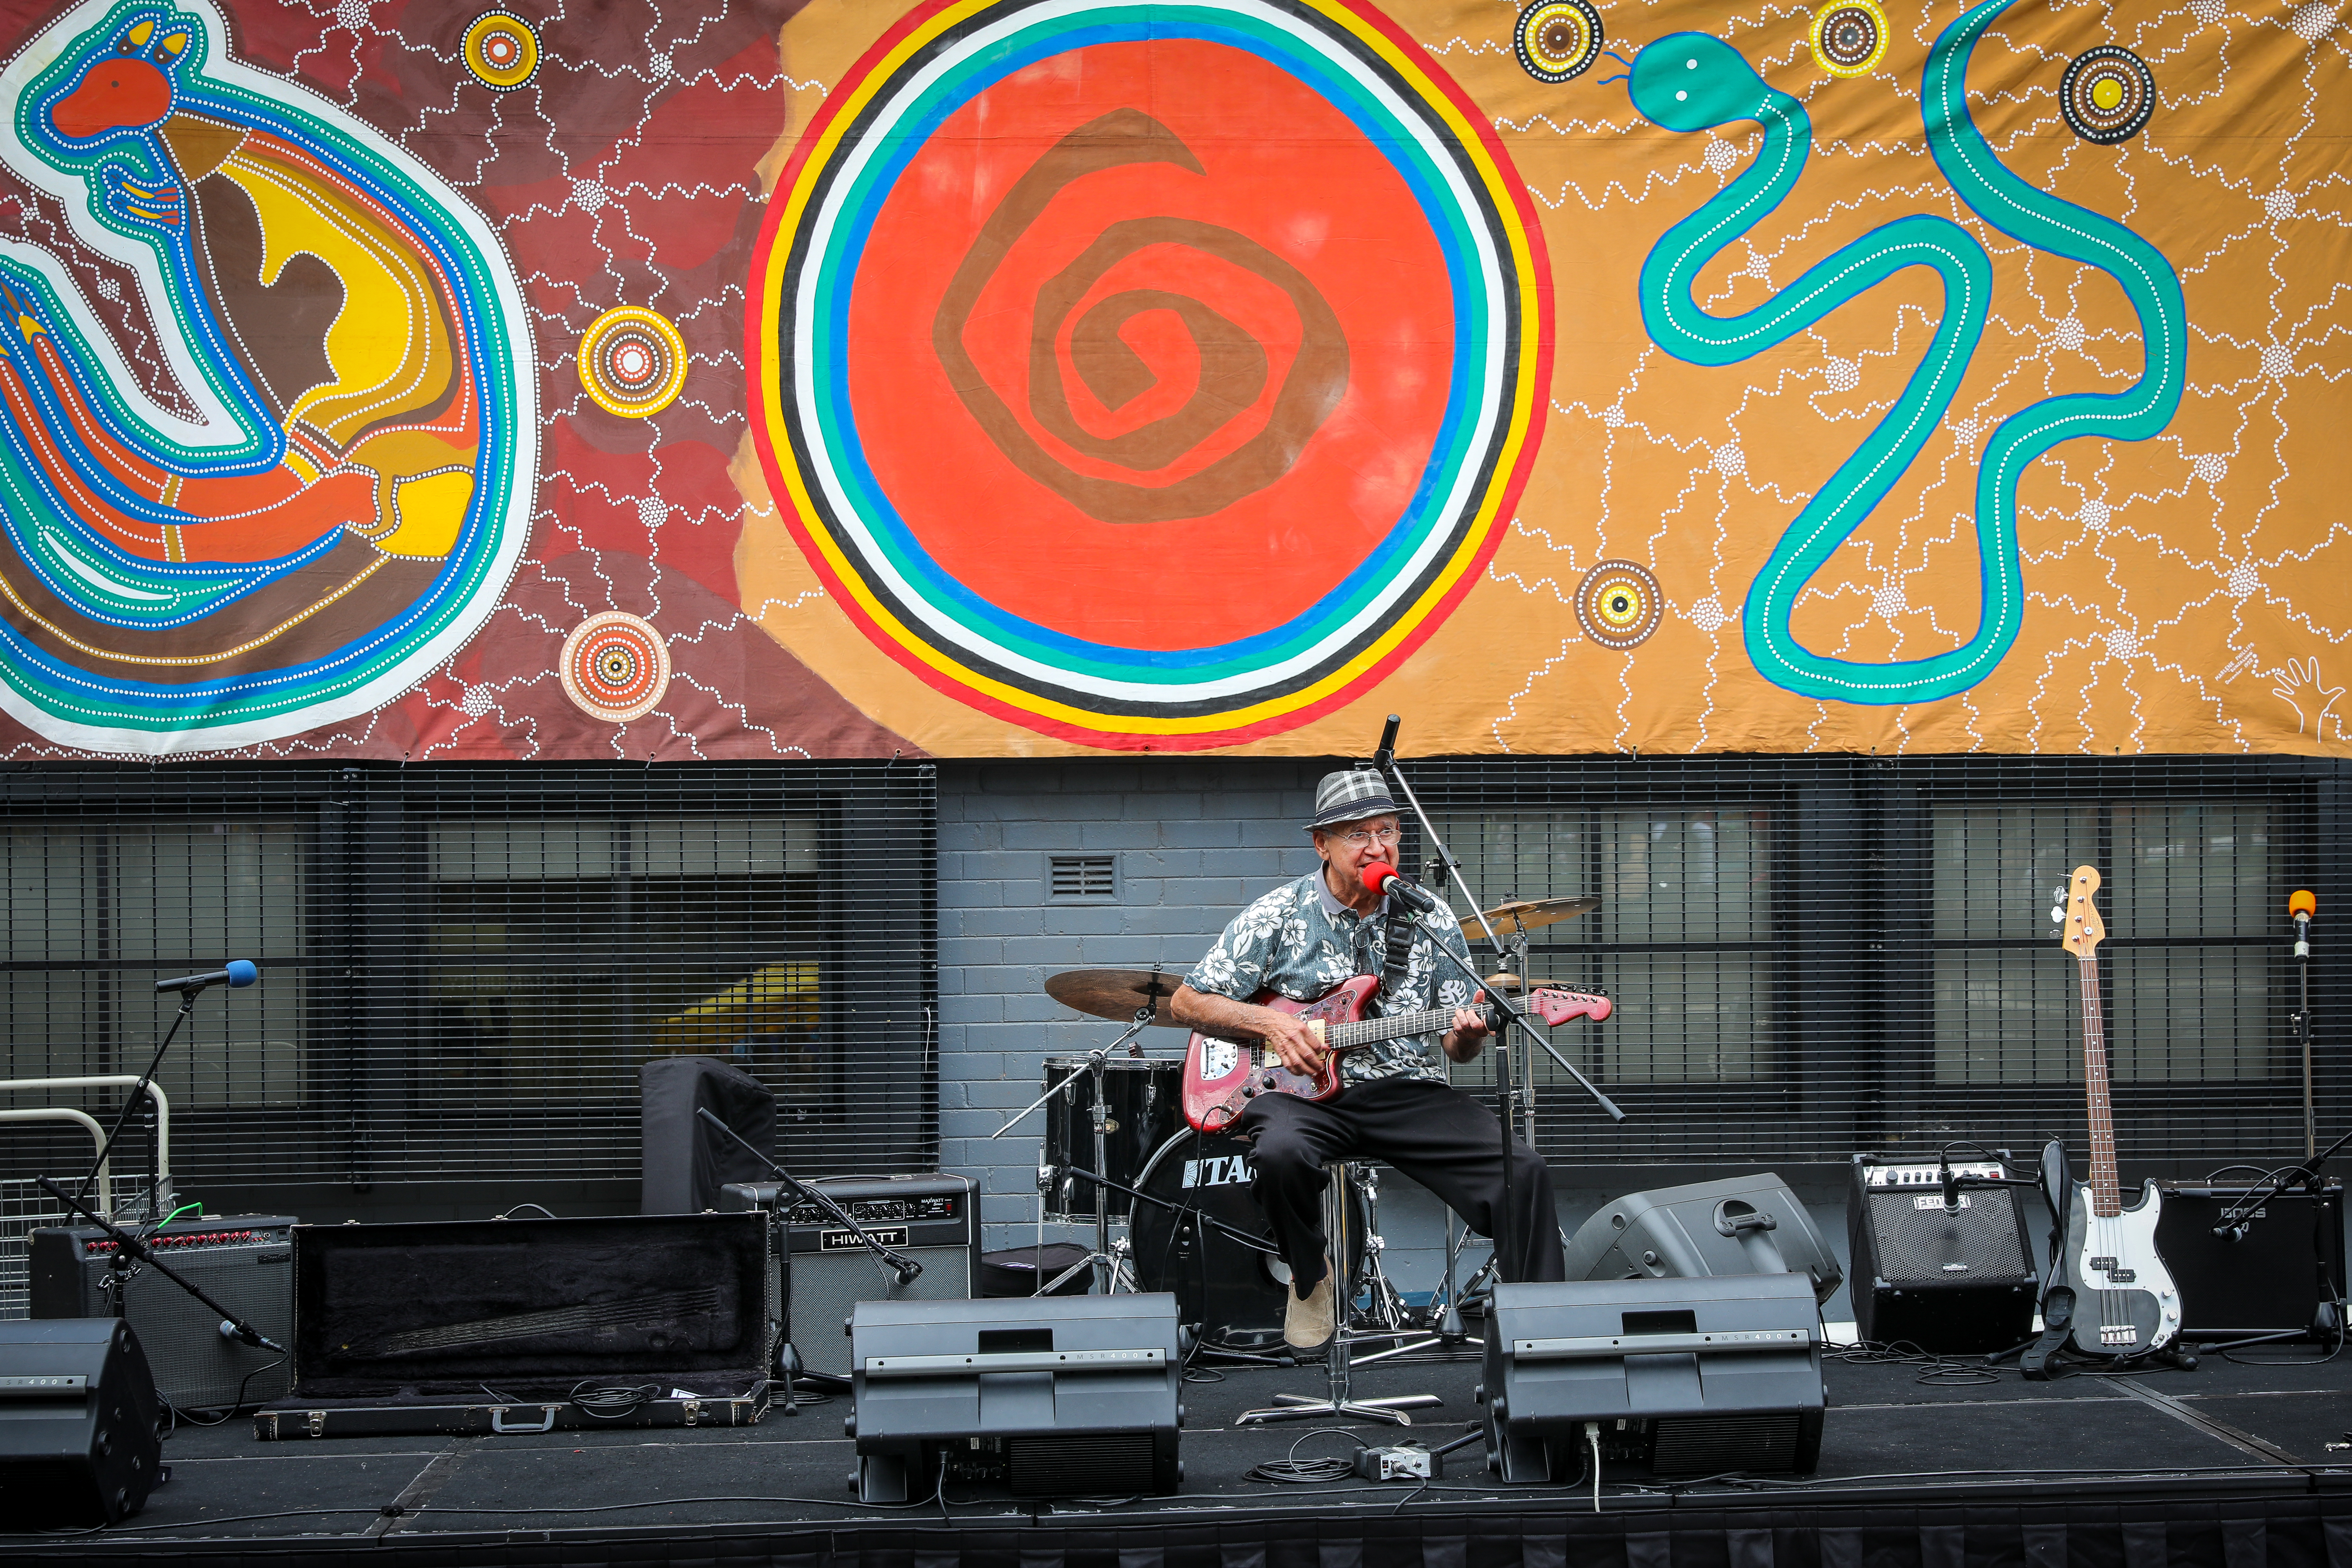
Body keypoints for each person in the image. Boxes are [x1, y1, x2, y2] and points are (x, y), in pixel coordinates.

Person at [1168, 767, 1567, 1351]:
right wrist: (1275, 1022)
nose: (1377, 846)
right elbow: (1187, 1000)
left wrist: (1472, 1032)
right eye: (1357, 833)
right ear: (1321, 843)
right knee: (1280, 1152)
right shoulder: (1277, 915)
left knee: (1523, 1171)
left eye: (1387, 830)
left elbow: (1457, 1045)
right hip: (1298, 1095)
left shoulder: (1427, 916)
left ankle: (1542, 1344)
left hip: (1405, 1092)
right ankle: (1310, 1275)